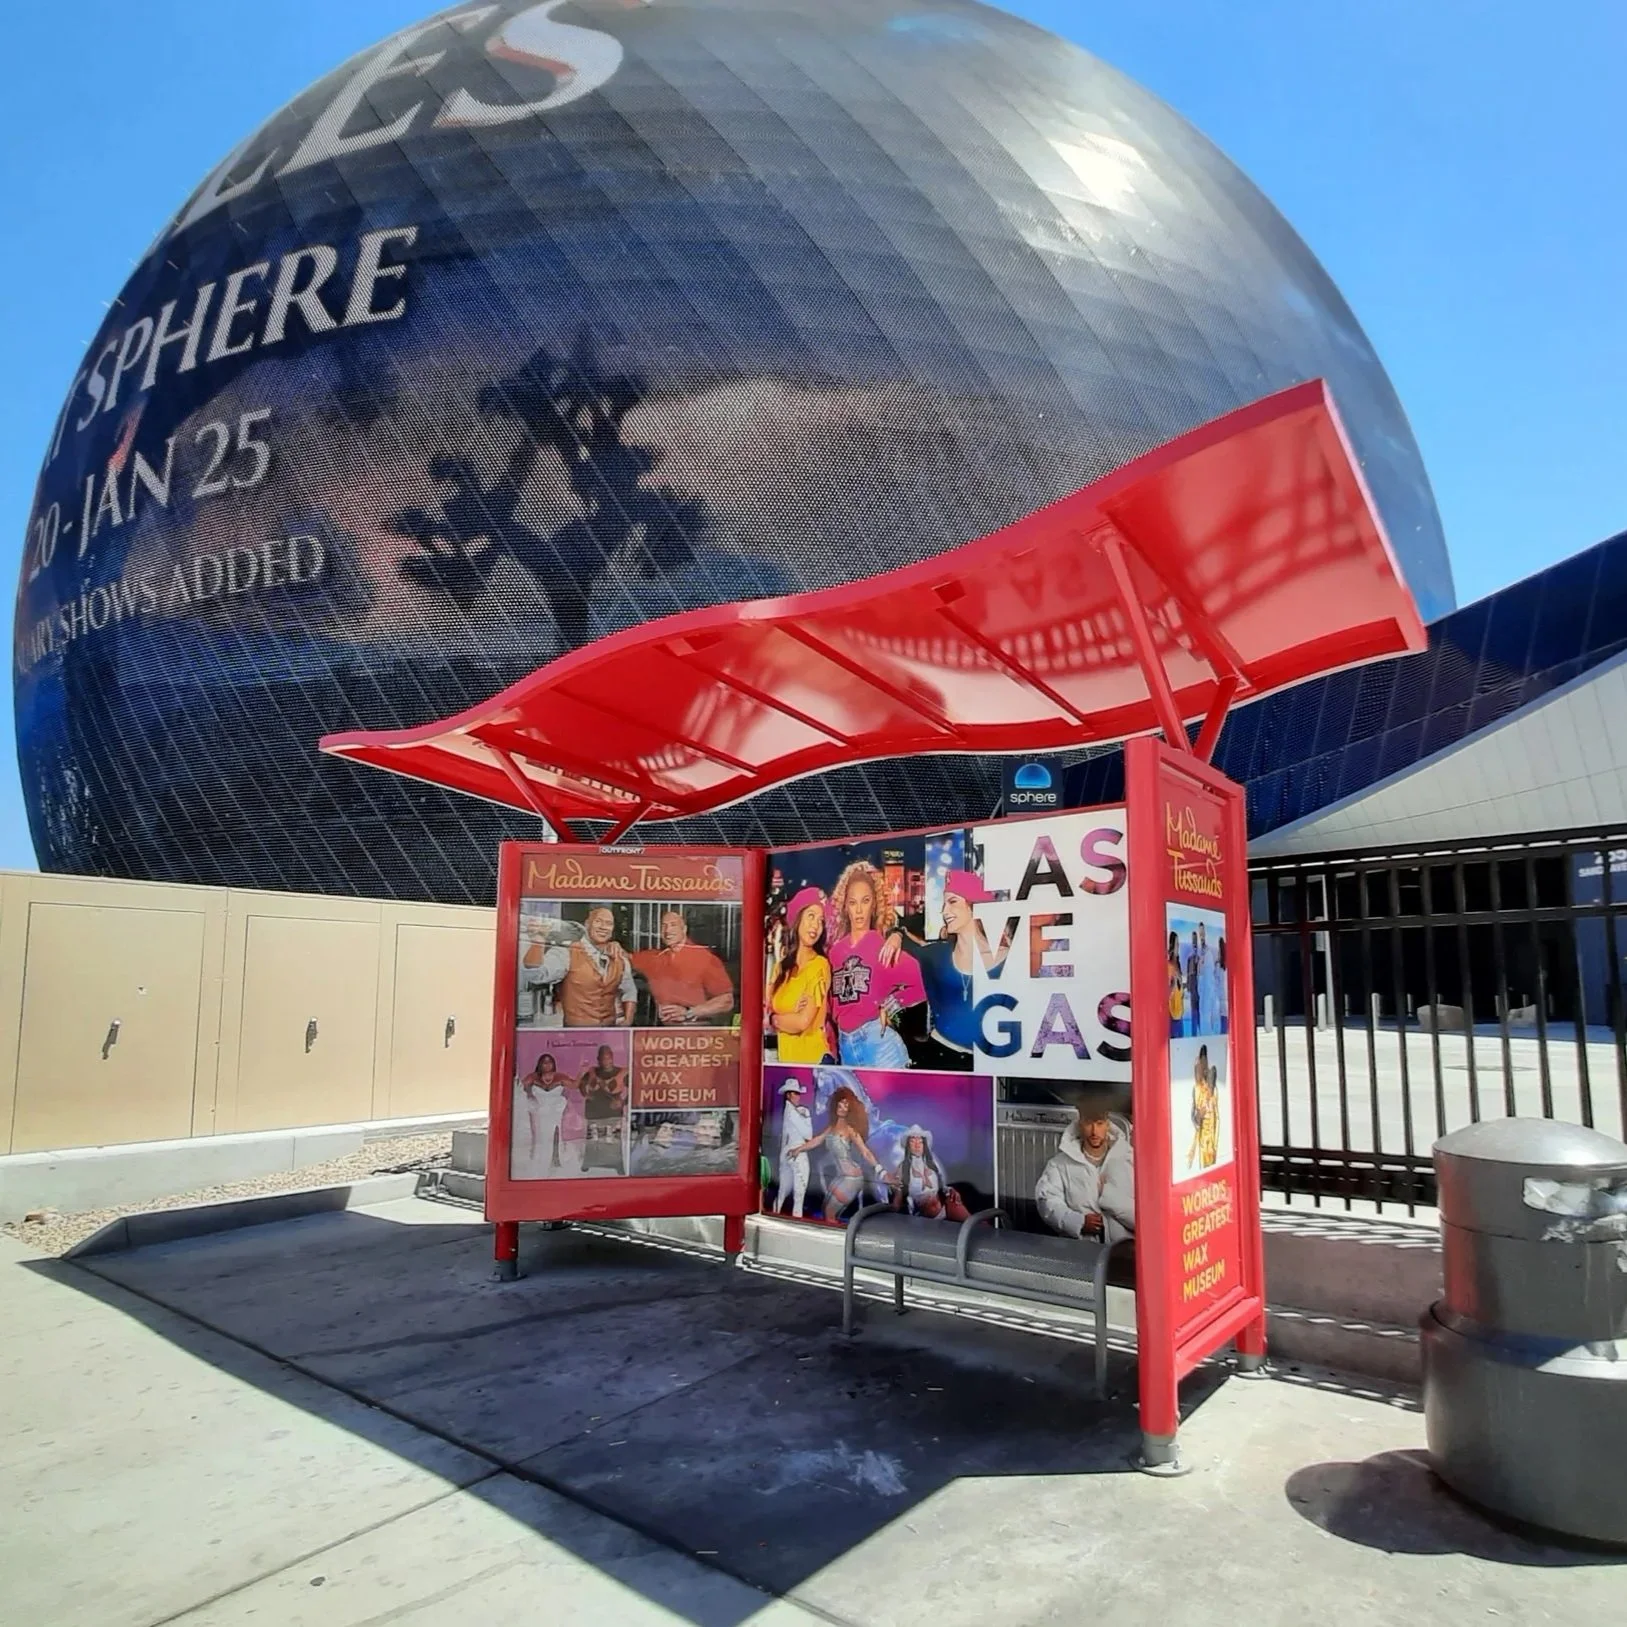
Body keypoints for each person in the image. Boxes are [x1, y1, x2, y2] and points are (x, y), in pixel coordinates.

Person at [879, 869, 1004, 1066]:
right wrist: (896, 934)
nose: (945, 912)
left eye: (953, 902)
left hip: (985, 1065)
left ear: (974, 906)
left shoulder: (1006, 959)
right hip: (937, 1056)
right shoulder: (937, 955)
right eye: (944, 904)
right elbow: (902, 943)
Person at [827, 861, 925, 1069]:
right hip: (846, 1046)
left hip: (880, 1047)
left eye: (865, 901)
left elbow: (922, 980)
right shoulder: (835, 952)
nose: (859, 910)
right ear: (845, 906)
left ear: (874, 904)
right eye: (852, 902)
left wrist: (891, 1005)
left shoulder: (881, 946)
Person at [1035, 1104, 1134, 1245]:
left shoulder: (1129, 1160)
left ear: (1107, 1124)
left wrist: (1110, 1200)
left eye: (1099, 1123)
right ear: (1080, 1124)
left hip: (1123, 1251)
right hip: (1080, 1250)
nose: (1094, 1131)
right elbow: (1047, 1202)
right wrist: (1078, 1222)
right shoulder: (1059, 1164)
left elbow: (1147, 1212)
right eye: (1088, 1123)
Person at [788, 1083, 887, 1222]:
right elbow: (817, 1140)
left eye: (846, 1105)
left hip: (852, 1178)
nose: (842, 1107)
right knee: (826, 1212)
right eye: (841, 1103)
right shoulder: (831, 1128)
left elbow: (865, 1152)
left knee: (829, 1213)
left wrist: (881, 1171)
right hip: (842, 1176)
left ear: (850, 1110)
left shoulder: (850, 1130)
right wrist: (798, 1149)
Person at [533, 904, 636, 1026]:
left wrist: (628, 1020)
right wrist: (538, 940)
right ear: (587, 924)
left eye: (609, 923)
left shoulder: (619, 957)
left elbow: (630, 991)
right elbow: (537, 975)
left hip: (609, 1030)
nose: (603, 927)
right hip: (577, 1032)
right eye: (598, 921)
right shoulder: (566, 952)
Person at [632, 909, 735, 1026]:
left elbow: (726, 1001)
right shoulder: (654, 958)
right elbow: (624, 958)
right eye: (663, 926)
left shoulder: (704, 958)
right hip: (662, 1031)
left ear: (684, 929)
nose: (667, 930)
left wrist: (689, 1012)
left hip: (695, 1030)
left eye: (673, 925)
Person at [767, 887, 833, 1064]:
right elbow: (765, 1010)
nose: (816, 926)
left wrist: (774, 1019)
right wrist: (779, 1017)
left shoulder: (820, 965)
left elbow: (802, 1022)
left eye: (821, 921)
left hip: (814, 1063)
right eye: (811, 916)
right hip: (787, 1063)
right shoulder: (781, 968)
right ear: (798, 918)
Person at [885, 1124, 969, 1221]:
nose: (917, 1145)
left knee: (976, 1225)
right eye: (913, 1141)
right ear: (908, 1145)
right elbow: (897, 1202)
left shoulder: (932, 1164)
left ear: (924, 1145)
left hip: (946, 1208)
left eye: (920, 1142)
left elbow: (941, 1187)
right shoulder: (902, 1168)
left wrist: (951, 1190)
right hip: (925, 1220)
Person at [579, 1043, 628, 1173]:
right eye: (603, 1058)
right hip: (594, 1112)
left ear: (612, 1057)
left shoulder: (621, 1072)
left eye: (608, 1057)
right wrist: (586, 1094)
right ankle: (589, 1163)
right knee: (593, 1140)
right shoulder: (592, 1072)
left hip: (613, 1112)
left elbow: (635, 1088)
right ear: (598, 1059)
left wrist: (623, 1102)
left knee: (614, 1141)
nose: (606, 1061)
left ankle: (617, 1165)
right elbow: (582, 1084)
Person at [517, 1052, 566, 1175]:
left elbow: (575, 1085)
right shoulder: (533, 1077)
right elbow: (520, 1088)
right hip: (539, 1115)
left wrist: (582, 1072)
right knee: (540, 1139)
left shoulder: (559, 1077)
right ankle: (539, 1163)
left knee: (556, 1136)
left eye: (550, 1062)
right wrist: (529, 1096)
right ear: (540, 1064)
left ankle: (555, 1161)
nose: (547, 1065)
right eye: (545, 1062)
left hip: (555, 1114)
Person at [773, 1076, 814, 1217]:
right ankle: (796, 1219)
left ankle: (775, 1214)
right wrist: (807, 1116)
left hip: (786, 1153)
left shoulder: (788, 1111)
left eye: (798, 1093)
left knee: (783, 1192)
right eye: (795, 1093)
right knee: (799, 1195)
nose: (798, 1096)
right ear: (788, 1095)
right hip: (797, 1154)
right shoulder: (793, 1113)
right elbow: (808, 1135)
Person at [1187, 1044, 1221, 1172]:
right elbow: (1193, 1116)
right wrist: (1198, 1116)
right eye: (1199, 1067)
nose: (1202, 1070)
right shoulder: (1195, 1090)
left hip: (1212, 1135)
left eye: (1203, 1065)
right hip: (1202, 1138)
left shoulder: (1212, 1089)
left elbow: (1216, 1114)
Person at [1184, 929, 1203, 1037]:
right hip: (1193, 987)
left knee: (1199, 1011)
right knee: (1193, 1011)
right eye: (1193, 941)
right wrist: (1188, 986)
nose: (1194, 944)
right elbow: (1188, 973)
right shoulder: (1190, 959)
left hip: (1199, 987)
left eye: (1195, 941)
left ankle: (1200, 1031)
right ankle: (1194, 1033)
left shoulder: (1199, 958)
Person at [1167, 930, 1185, 1039]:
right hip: (1172, 1015)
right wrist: (1172, 986)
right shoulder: (1168, 967)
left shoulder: (1177, 967)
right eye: (1177, 944)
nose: (1178, 947)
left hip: (1179, 1015)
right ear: (1172, 946)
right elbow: (1165, 994)